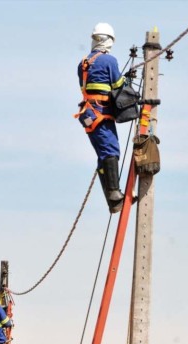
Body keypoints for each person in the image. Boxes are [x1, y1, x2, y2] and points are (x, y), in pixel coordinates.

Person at [76, 22, 126, 213]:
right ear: (110, 41)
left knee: (103, 155)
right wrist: (126, 79)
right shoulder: (109, 61)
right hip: (101, 114)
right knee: (111, 151)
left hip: (88, 114)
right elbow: (117, 83)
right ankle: (114, 194)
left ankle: (112, 200)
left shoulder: (83, 63)